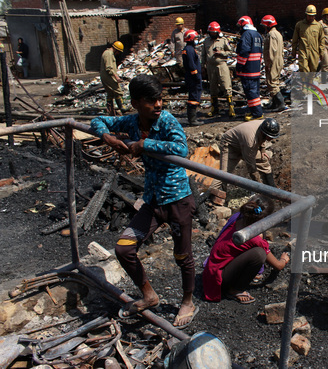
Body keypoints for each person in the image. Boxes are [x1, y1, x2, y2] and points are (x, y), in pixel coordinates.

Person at [90, 74, 197, 329]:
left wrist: (144, 144)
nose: (158, 104)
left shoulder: (167, 121)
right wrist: (108, 137)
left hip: (178, 200)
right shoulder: (132, 121)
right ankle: (149, 295)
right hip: (152, 200)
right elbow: (98, 120)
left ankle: (188, 301)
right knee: (124, 249)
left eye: (160, 99)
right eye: (151, 101)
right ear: (136, 102)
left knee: (183, 255)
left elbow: (182, 149)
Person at [203, 195, 290, 303]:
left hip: (213, 267)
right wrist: (284, 259)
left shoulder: (237, 217)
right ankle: (235, 290)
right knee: (259, 254)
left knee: (259, 245)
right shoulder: (255, 239)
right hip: (218, 278)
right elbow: (278, 266)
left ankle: (254, 272)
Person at [210, 118, 280, 193]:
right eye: (270, 137)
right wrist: (259, 186)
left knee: (263, 161)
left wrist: (262, 150)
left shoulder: (265, 125)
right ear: (264, 133)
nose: (271, 139)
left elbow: (262, 138)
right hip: (231, 146)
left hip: (243, 142)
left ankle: (272, 189)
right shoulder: (251, 141)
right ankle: (210, 195)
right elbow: (251, 167)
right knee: (224, 174)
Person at [202, 21, 235, 118]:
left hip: (222, 65)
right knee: (212, 87)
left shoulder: (223, 40)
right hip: (210, 67)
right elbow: (203, 54)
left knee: (226, 86)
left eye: (214, 32)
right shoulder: (206, 41)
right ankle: (214, 108)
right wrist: (202, 66)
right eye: (211, 32)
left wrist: (221, 53)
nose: (213, 34)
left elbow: (230, 52)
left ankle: (231, 108)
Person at [236, 16, 264, 121]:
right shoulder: (258, 35)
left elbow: (244, 51)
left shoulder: (246, 35)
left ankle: (257, 114)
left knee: (251, 92)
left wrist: (239, 65)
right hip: (255, 69)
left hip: (247, 70)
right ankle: (255, 111)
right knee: (255, 92)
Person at [261, 15, 285, 112]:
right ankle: (275, 103)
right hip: (279, 59)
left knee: (272, 82)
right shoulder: (278, 34)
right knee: (274, 81)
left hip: (274, 60)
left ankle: (280, 103)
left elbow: (271, 50)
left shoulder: (271, 35)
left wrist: (268, 63)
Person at [292, 5, 326, 73]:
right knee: (304, 69)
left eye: (313, 16)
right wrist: (294, 50)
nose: (311, 17)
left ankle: (309, 83)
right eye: (309, 16)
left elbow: (321, 40)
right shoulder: (300, 25)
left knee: (313, 70)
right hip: (303, 51)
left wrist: (321, 52)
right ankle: (305, 83)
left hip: (314, 52)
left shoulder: (318, 26)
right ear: (306, 15)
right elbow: (295, 39)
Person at [182, 29, 204, 126]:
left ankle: (192, 119)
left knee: (194, 95)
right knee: (194, 96)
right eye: (195, 38)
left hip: (191, 77)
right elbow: (191, 64)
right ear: (190, 39)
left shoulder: (188, 49)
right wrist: (196, 75)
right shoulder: (189, 50)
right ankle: (192, 120)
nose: (196, 40)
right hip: (193, 77)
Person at [100, 41, 126, 116]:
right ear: (117, 50)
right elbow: (109, 68)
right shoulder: (109, 54)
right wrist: (116, 77)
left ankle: (110, 110)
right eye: (119, 52)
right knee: (118, 90)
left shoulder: (107, 53)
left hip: (105, 76)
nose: (118, 54)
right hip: (109, 76)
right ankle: (122, 108)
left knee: (110, 93)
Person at [318, 8, 328, 74]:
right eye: (327, 15)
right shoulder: (320, 24)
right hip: (323, 46)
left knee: (325, 64)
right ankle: (323, 81)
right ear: (324, 15)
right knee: (326, 64)